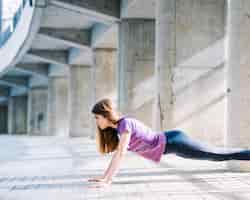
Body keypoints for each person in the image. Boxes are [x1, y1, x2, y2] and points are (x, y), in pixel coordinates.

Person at [87, 98, 250, 188]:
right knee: (217, 156)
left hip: (174, 142)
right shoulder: (118, 129)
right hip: (172, 144)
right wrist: (104, 177)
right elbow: (118, 152)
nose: (96, 122)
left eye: (97, 117)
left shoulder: (124, 124)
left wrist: (107, 180)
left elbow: (120, 153)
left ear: (106, 115)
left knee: (219, 155)